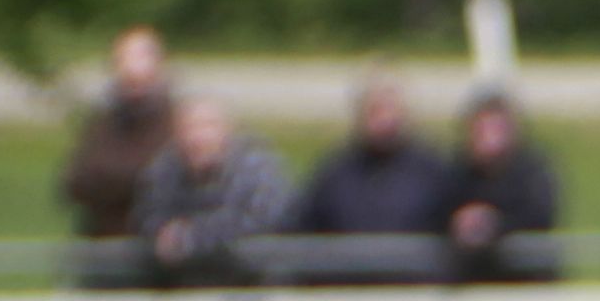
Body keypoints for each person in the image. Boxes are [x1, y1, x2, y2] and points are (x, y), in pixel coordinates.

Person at [285, 74, 457, 272]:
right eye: (375, 111)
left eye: (390, 110)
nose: (384, 120)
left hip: (416, 286)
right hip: (348, 285)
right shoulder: (334, 174)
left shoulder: (432, 173)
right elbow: (302, 231)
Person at [131, 94, 292, 282]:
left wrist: (191, 237)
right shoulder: (163, 170)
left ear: (228, 130)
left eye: (209, 126)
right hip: (181, 285)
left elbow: (256, 222)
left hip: (252, 283)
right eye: (189, 128)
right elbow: (147, 218)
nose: (198, 137)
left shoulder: (258, 170)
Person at [56, 27, 175, 243]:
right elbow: (74, 184)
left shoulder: (177, 123)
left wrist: (112, 179)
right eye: (123, 61)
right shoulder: (101, 123)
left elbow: (167, 184)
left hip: (157, 249)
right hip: (103, 243)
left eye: (141, 58)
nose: (132, 69)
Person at [443, 91, 564, 283]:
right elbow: (435, 210)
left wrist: (494, 224)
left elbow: (540, 216)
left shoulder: (532, 172)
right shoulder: (456, 172)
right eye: (483, 131)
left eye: (497, 130)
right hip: (470, 281)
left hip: (526, 282)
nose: (491, 140)